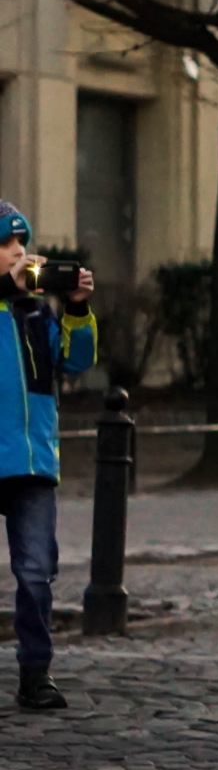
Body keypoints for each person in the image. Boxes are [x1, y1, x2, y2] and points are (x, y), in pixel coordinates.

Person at [0, 201, 97, 710]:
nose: (19, 252)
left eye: (21, 242)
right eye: (5, 244)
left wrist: (77, 307)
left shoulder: (35, 309)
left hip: (33, 463)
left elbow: (76, 361)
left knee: (36, 573)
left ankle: (36, 674)